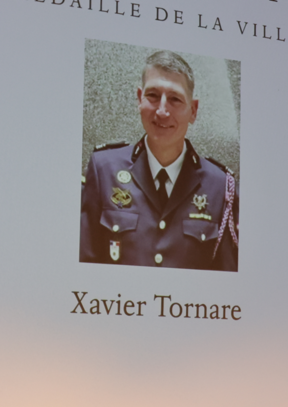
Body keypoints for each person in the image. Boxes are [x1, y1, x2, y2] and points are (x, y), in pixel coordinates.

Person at [80, 50, 239, 271]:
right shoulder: (103, 170)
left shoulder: (220, 186)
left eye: (175, 99)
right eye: (153, 95)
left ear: (193, 110)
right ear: (139, 99)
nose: (162, 111)